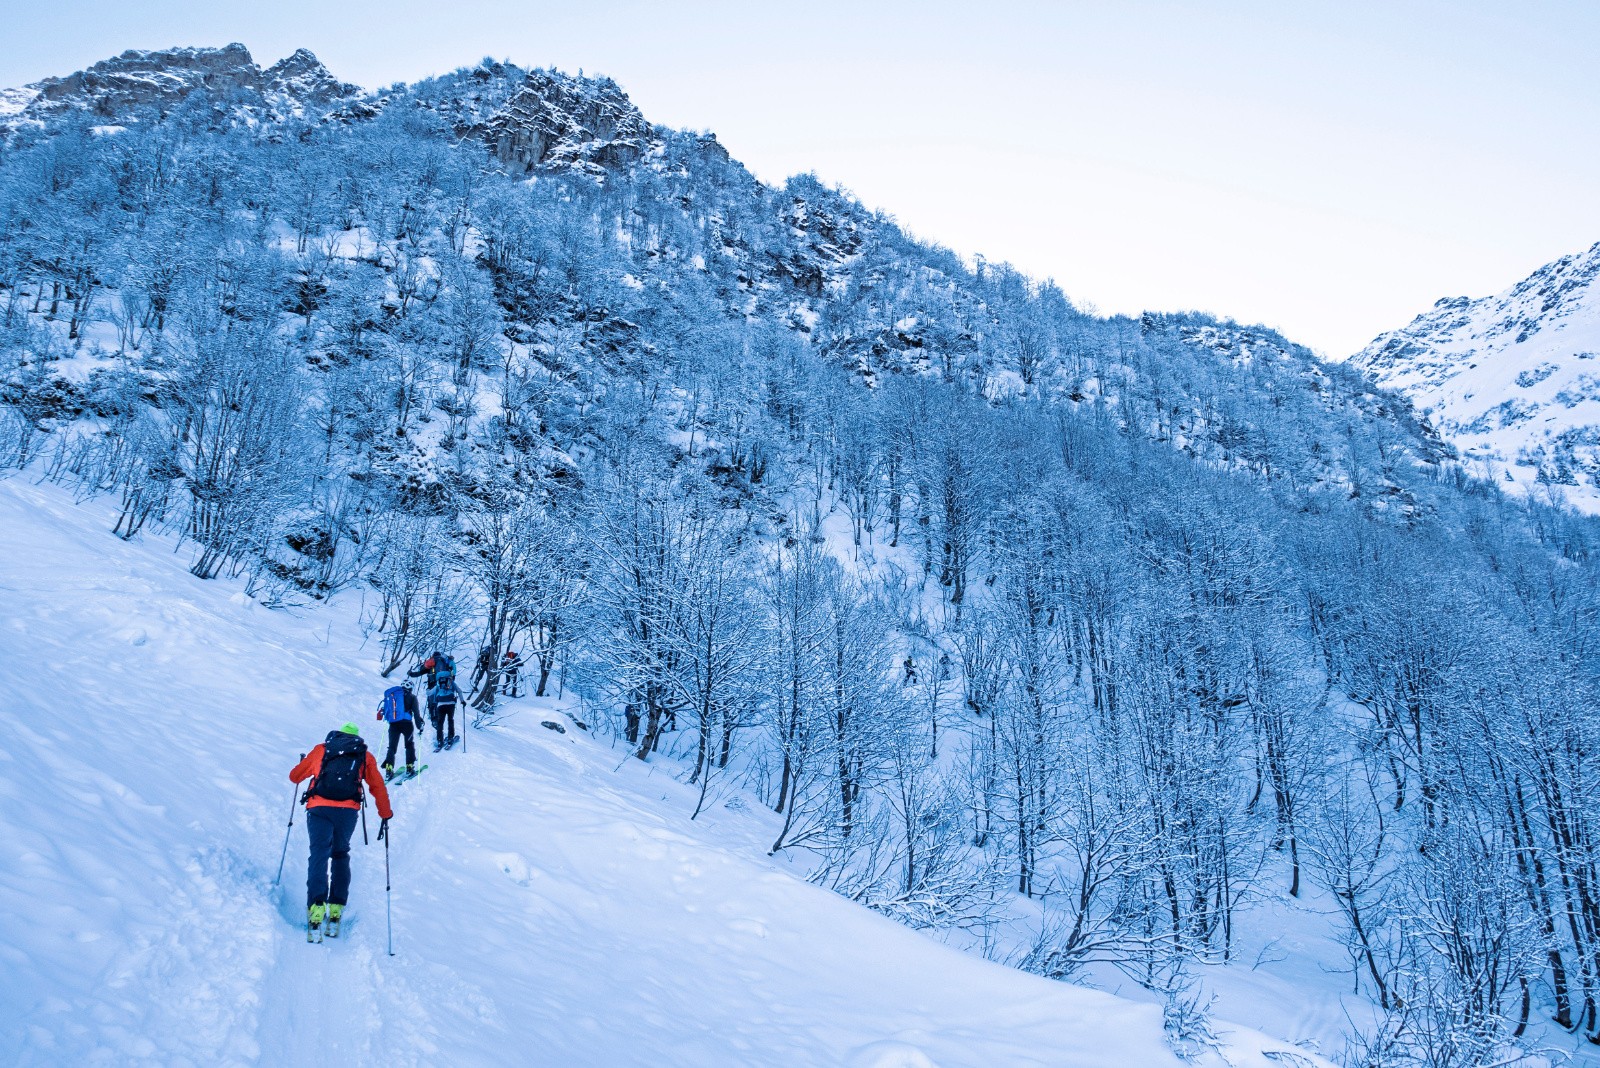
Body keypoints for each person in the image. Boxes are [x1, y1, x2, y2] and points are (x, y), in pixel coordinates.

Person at [289, 723, 392, 935]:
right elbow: (377, 786)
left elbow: (294, 776)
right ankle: (336, 905)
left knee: (318, 854)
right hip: (347, 811)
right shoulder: (364, 755)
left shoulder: (322, 750)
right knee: (340, 853)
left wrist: (303, 765)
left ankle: (316, 905)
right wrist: (385, 813)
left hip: (318, 808)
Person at [409, 650, 460, 751]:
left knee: (433, 705)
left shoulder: (431, 663)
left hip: (432, 685)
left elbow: (419, 672)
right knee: (444, 708)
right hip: (444, 689)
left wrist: (410, 673)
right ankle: (445, 733)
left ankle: (436, 725)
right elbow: (452, 675)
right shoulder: (446, 663)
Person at [375, 682, 421, 780]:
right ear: (411, 688)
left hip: (394, 724)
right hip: (406, 724)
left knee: (392, 747)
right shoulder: (412, 697)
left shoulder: (394, 695)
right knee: (409, 745)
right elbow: (416, 714)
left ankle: (388, 769)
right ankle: (409, 768)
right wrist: (419, 727)